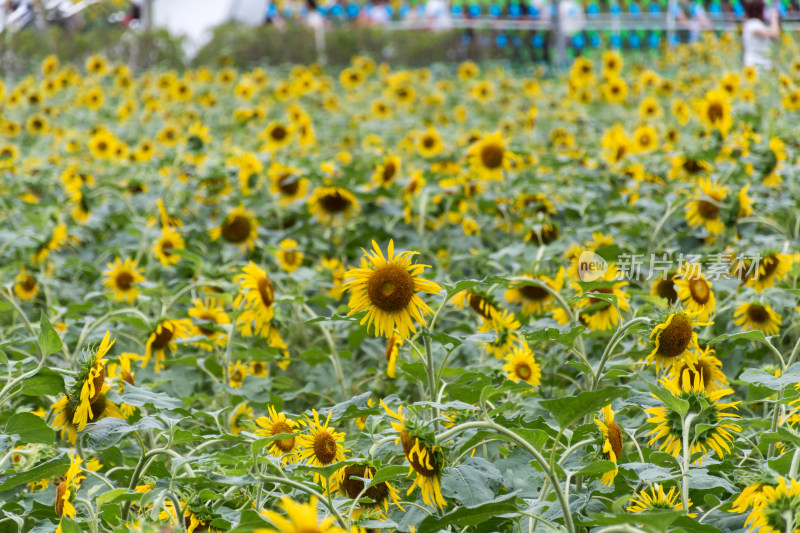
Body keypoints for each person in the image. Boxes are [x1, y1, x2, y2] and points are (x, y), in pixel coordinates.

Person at [742, 0, 780, 69]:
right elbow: (774, 34)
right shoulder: (753, 23)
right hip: (756, 63)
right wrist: (774, 18)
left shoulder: (755, 23)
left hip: (761, 62)